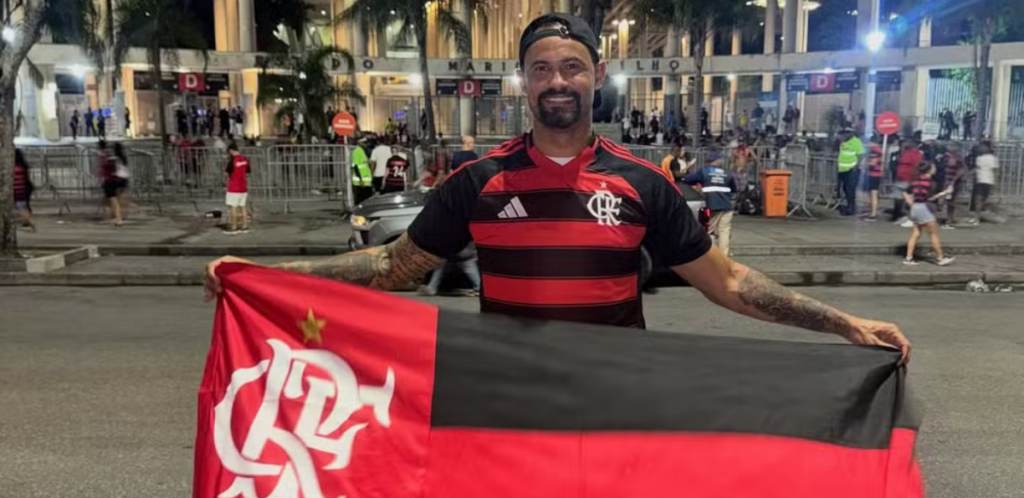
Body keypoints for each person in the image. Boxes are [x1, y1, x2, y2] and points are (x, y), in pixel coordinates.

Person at [206, 13, 911, 361]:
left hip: (617, 400)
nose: (557, 81)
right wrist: (263, 276)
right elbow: (393, 268)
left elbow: (725, 282)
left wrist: (842, 323)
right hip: (511, 403)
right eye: (541, 69)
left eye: (571, 67)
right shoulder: (477, 182)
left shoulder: (644, 184)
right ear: (523, 84)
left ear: (594, 77)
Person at [684, 152, 738, 256]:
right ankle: (723, 256)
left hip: (712, 205)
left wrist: (687, 169)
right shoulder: (727, 173)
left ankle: (712, 256)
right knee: (724, 232)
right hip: (727, 206)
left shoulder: (703, 172)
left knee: (710, 231)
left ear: (709, 162)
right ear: (718, 161)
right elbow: (733, 190)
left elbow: (687, 180)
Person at [903, 161, 954, 266]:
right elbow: (930, 198)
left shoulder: (914, 181)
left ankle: (908, 258)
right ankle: (940, 258)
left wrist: (909, 202)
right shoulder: (931, 183)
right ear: (929, 170)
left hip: (915, 208)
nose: (935, 169)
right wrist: (944, 193)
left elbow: (905, 192)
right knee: (933, 234)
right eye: (933, 167)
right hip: (924, 208)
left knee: (915, 234)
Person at [893, 139, 922, 226]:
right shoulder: (906, 154)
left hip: (908, 179)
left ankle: (906, 216)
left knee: (906, 199)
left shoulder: (914, 154)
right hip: (903, 178)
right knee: (899, 198)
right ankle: (898, 215)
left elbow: (917, 166)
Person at [223, 142, 251, 235]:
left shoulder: (232, 161)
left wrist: (224, 183)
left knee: (233, 208)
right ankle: (245, 226)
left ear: (231, 151)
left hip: (233, 187)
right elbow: (247, 173)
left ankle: (234, 227)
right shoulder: (245, 159)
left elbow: (226, 174)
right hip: (243, 187)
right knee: (243, 207)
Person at [99, 140, 127, 226]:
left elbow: (108, 168)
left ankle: (118, 219)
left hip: (110, 181)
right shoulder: (115, 158)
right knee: (115, 201)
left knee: (114, 201)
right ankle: (116, 217)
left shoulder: (110, 159)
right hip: (114, 180)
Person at [836, 128, 863, 216]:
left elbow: (860, 155)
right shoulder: (843, 142)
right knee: (845, 188)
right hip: (842, 170)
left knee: (850, 188)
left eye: (846, 133)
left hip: (852, 170)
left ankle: (851, 207)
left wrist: (857, 166)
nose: (844, 135)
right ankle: (849, 205)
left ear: (851, 133)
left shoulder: (856, 142)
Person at [940, 146, 967, 228]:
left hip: (952, 182)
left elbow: (961, 171)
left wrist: (953, 181)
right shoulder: (947, 158)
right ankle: (950, 217)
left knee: (950, 200)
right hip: (949, 181)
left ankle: (950, 218)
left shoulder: (958, 159)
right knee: (949, 200)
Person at [971, 141, 998, 218]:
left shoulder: (992, 158)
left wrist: (995, 181)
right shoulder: (979, 158)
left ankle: (978, 214)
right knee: (978, 198)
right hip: (980, 180)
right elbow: (977, 169)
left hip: (988, 180)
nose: (981, 148)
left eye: (983, 147)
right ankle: (977, 215)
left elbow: (995, 171)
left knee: (983, 198)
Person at [13, 148, 36, 232]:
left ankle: (30, 222)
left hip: (16, 189)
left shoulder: (13, 168)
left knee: (20, 207)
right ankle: (28, 220)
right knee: (23, 206)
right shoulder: (23, 166)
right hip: (23, 189)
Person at [864, 135, 884, 221]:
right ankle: (873, 211)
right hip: (876, 174)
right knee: (872, 193)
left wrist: (866, 163)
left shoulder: (875, 151)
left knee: (873, 193)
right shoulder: (879, 150)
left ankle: (873, 214)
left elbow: (873, 163)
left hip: (874, 174)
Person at [350, 139, 374, 205]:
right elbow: (355, 166)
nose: (366, 145)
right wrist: (360, 180)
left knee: (367, 201)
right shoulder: (357, 151)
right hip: (360, 182)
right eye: (365, 143)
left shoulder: (363, 151)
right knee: (361, 202)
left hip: (366, 182)